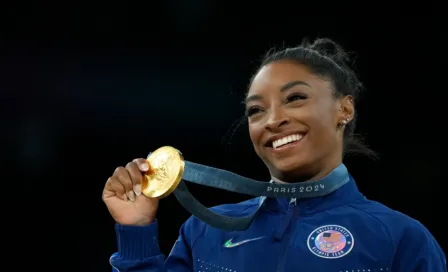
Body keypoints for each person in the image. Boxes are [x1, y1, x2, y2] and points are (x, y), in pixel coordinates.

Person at [102, 38, 446, 271]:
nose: (273, 120)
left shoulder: (400, 238)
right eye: (255, 111)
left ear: (344, 108)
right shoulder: (203, 232)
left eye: (295, 98)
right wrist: (137, 232)